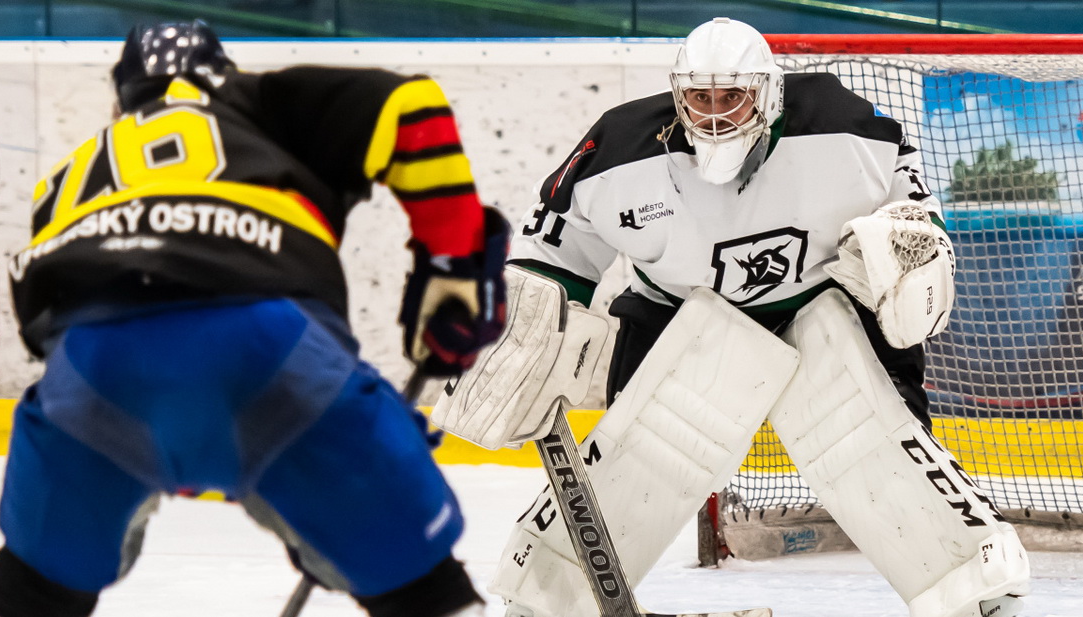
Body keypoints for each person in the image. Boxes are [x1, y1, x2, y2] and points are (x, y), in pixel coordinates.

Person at [433, 17, 1029, 617]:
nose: (714, 114)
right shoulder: (616, 151)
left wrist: (908, 245)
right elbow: (551, 252)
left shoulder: (845, 129)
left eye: (732, 97)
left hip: (817, 302)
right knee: (639, 453)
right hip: (676, 310)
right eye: (699, 97)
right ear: (677, 94)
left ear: (767, 93)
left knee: (872, 439)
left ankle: (975, 588)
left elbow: (909, 205)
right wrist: (521, 323)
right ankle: (547, 598)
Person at [0, 21, 508, 617]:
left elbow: (59, 327)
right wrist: (452, 264)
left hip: (92, 366)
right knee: (422, 590)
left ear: (121, 97)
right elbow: (411, 109)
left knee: (33, 590)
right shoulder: (256, 104)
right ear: (222, 73)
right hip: (269, 343)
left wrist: (170, 456)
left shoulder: (70, 177)